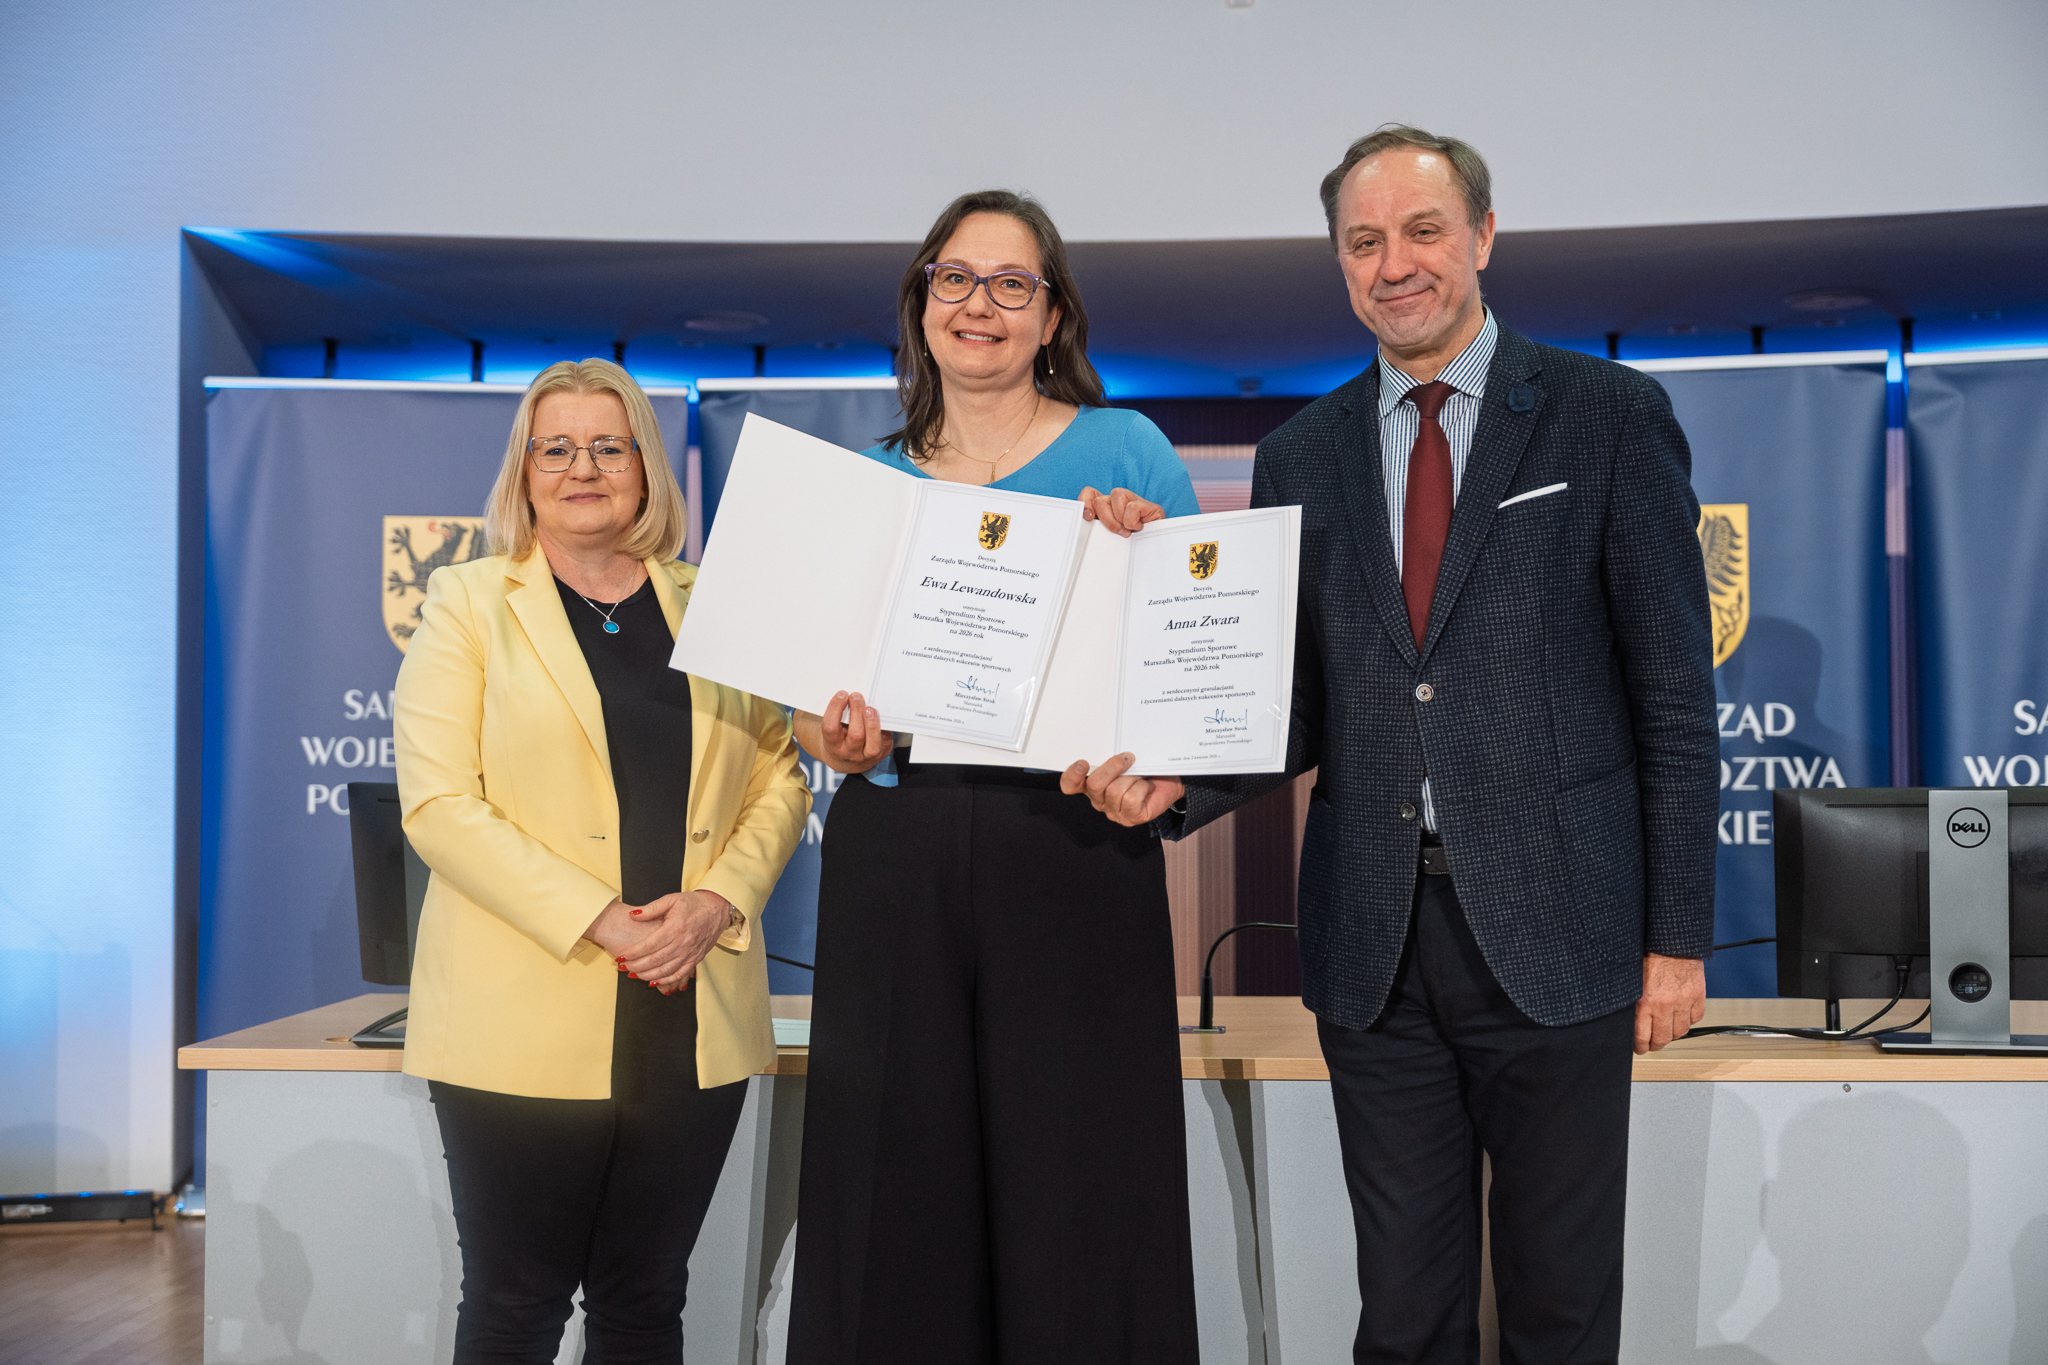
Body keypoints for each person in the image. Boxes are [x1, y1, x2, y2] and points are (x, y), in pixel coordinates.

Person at [1066, 126, 1720, 1364]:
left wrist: (1675, 938)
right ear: (1339, 262)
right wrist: (1175, 781)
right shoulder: (1298, 454)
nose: (1393, 263)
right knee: (1404, 1317)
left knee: (1560, 1308)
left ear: (1482, 236)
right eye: (1362, 242)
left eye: (1421, 231)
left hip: (1563, 931)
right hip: (1373, 944)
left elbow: (1674, 702)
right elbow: (1294, 703)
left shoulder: (1605, 417)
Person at [785, 189, 1204, 1365]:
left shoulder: (1126, 452)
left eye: (1011, 283)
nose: (980, 304)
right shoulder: (861, 481)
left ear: (1050, 313)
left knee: (1082, 1176)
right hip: (895, 845)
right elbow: (802, 699)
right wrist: (832, 738)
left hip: (1071, 845)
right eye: (954, 278)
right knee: (891, 1174)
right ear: (921, 300)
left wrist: (1142, 561)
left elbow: (1188, 659)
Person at [394, 358, 810, 1363]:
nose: (583, 468)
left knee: (646, 1299)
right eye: (556, 448)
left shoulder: (717, 605)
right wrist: (603, 919)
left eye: (609, 447)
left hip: (690, 1010)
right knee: (514, 1303)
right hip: (521, 1012)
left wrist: (717, 901)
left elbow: (780, 775)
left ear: (645, 468)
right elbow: (440, 805)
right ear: (525, 473)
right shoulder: (465, 602)